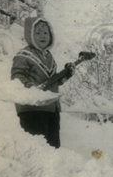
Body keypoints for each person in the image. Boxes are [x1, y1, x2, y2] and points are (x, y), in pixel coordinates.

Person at [11, 16, 70, 148]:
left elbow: (53, 82)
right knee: (38, 148)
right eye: (37, 33)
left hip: (51, 109)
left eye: (45, 32)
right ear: (29, 35)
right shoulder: (23, 55)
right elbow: (17, 77)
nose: (42, 36)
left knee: (53, 147)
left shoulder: (48, 56)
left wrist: (66, 75)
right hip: (32, 110)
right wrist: (31, 88)